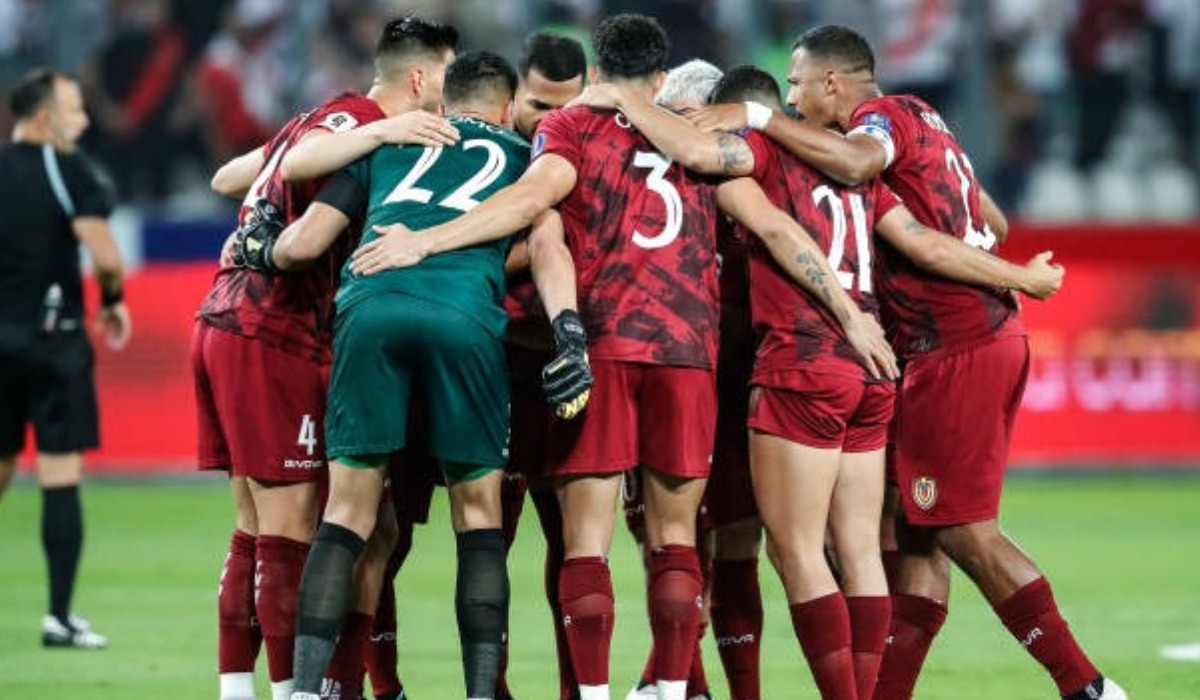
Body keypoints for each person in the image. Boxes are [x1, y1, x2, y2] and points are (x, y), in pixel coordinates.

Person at [347, 15, 895, 700]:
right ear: (663, 78)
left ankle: (597, 694)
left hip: (604, 345)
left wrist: (425, 242)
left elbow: (528, 198)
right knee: (675, 541)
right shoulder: (701, 141)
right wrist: (850, 312)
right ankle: (670, 689)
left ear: (596, 76)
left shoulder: (572, 130)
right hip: (687, 354)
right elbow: (771, 220)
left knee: (585, 542)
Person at [570, 50, 1066, 700]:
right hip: (872, 370)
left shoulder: (756, 158)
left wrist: (626, 100)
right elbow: (934, 232)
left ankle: (711, 686)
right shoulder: (853, 167)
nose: (798, 97)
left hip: (795, 365)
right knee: (858, 547)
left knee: (781, 549)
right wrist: (1014, 275)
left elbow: (774, 226)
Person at [690, 24, 1124, 700]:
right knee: (915, 537)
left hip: (945, 346)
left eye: (800, 86)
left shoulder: (877, 122)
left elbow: (883, 194)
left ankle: (1087, 687)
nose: (796, 103)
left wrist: (759, 117)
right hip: (945, 349)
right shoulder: (927, 117)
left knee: (956, 530)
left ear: (834, 83)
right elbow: (989, 217)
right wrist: (998, 265)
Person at [233, 50, 534, 700]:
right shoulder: (524, 157)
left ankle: (306, 691)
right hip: (464, 317)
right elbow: (547, 239)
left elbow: (304, 234)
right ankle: (481, 694)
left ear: (443, 105)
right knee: (477, 517)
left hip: (371, 307)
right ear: (507, 109)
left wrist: (260, 248)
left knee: (346, 513)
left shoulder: (388, 145)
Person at [196, 16, 458, 700]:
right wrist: (382, 131)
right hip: (275, 332)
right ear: (422, 78)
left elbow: (230, 176)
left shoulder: (318, 118)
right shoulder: (354, 121)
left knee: (254, 530)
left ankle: (236, 691)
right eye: (448, 79)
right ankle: (295, 692)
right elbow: (303, 170)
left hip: (224, 320)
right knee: (290, 535)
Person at [0, 68, 132, 650]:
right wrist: (112, 299)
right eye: (75, 108)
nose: (84, 119)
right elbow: (104, 253)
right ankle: (58, 618)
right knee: (59, 473)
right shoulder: (68, 168)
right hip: (55, 341)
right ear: (47, 115)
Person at [622, 57, 725, 700]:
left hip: (682, 358)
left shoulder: (719, 163)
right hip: (705, 361)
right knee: (670, 535)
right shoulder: (728, 163)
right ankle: (682, 683)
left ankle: (665, 682)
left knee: (685, 539)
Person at [498, 29, 587, 700]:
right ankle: (487, 688)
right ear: (510, 97)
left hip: (567, 373)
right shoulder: (488, 158)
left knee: (573, 540)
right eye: (536, 104)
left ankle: (573, 689)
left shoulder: (597, 154)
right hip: (497, 368)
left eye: (566, 105)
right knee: (487, 537)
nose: (548, 119)